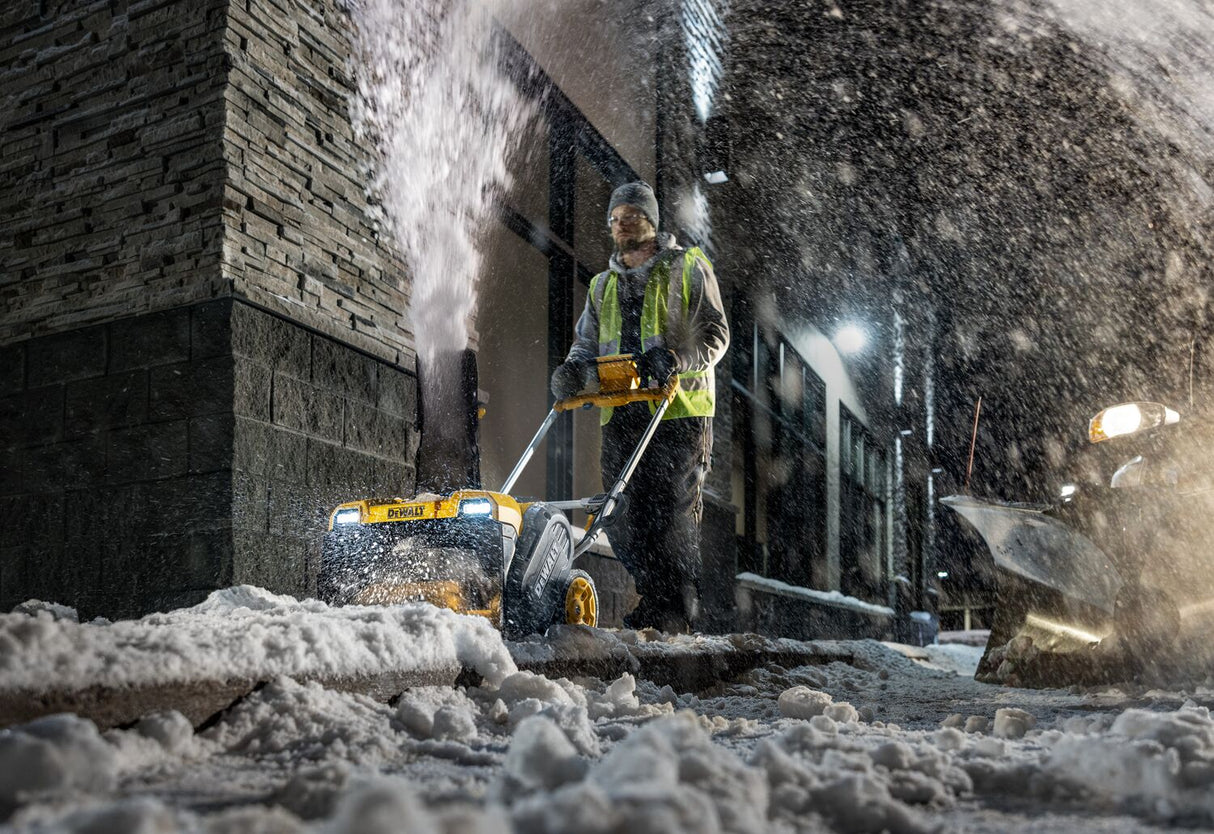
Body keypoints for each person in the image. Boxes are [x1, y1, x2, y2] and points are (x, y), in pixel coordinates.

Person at [551, 182, 729, 632]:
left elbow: (714, 334)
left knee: (671, 513)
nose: (621, 225)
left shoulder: (688, 267)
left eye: (631, 216)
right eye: (615, 218)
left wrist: (674, 359)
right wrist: (573, 374)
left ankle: (678, 610)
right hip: (622, 411)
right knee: (621, 514)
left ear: (651, 222)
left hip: (678, 412)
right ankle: (655, 597)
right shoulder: (602, 285)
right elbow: (586, 344)